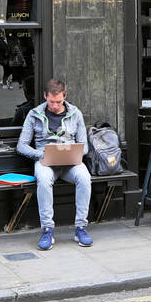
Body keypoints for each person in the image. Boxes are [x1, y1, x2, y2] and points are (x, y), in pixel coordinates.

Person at [17, 78, 93, 249]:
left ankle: (81, 227)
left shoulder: (76, 114)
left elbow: (85, 147)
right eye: (51, 102)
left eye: (59, 102)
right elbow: (21, 146)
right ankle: (47, 230)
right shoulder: (34, 114)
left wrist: (70, 151)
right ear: (45, 96)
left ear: (65, 96)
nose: (55, 106)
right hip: (45, 161)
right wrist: (41, 153)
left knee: (84, 178)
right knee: (43, 180)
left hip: (70, 162)